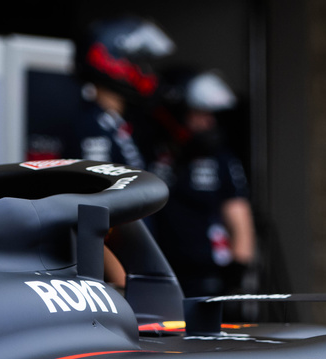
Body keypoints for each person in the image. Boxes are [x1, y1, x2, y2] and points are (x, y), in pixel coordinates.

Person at [149, 70, 255, 297]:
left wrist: (236, 276)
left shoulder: (221, 159)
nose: (208, 122)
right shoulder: (152, 152)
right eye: (200, 113)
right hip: (156, 271)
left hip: (206, 275)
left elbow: (239, 219)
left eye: (211, 115)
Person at [63, 17, 174, 170]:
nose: (146, 72)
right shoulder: (93, 127)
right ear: (108, 61)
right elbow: (96, 188)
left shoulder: (116, 121)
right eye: (138, 63)